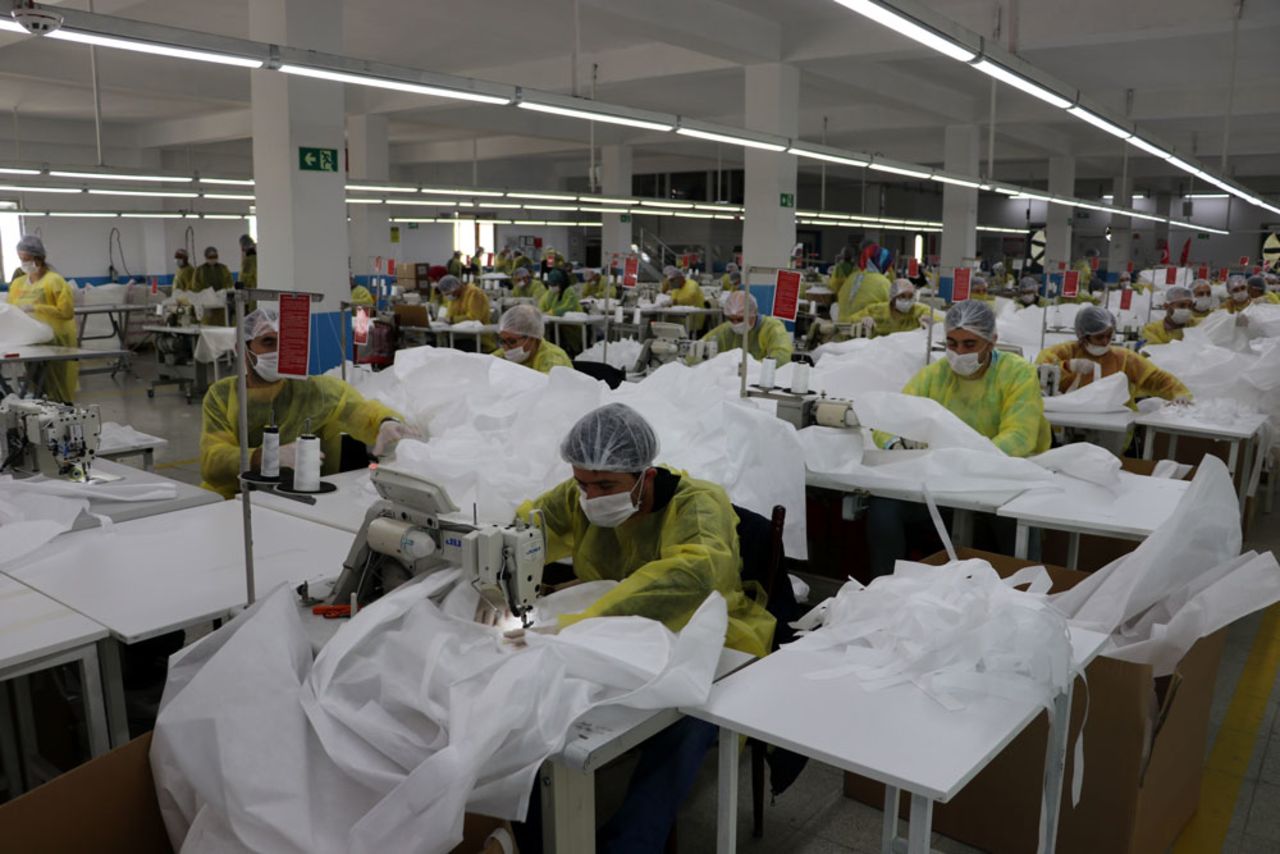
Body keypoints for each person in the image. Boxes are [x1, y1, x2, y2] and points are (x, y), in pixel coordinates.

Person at [514, 403, 775, 850]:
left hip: (709, 637)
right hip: (612, 632)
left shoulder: (698, 505)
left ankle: (630, 843)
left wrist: (581, 623)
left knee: (687, 722)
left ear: (645, 476)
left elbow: (690, 579)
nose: (591, 497)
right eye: (582, 483)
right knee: (528, 705)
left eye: (605, 485)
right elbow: (525, 531)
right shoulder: (578, 496)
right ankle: (534, 836)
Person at [866, 301, 1050, 577]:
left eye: (969, 344)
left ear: (991, 342)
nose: (958, 352)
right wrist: (895, 443)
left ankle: (1019, 595)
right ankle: (884, 588)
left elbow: (1020, 437)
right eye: (951, 343)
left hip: (1001, 478)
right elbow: (891, 416)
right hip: (945, 480)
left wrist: (967, 459)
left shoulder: (1017, 373)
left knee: (1015, 522)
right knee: (884, 507)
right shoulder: (936, 375)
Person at [199, 307, 414, 498]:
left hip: (300, 498)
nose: (278, 351)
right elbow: (213, 461)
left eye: (285, 342)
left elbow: (359, 411)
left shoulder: (314, 391)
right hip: (234, 497)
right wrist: (264, 457)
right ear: (242, 349)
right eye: (268, 342)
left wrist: (385, 422)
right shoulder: (222, 395)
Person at [1035, 305, 1192, 408]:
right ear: (1083, 336)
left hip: (1113, 425)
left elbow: (1156, 378)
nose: (1105, 342)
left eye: (1109, 336)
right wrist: (1067, 366)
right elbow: (1037, 374)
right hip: (1068, 419)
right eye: (1099, 337)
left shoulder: (1123, 358)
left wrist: (1179, 393)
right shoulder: (1064, 352)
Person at [8, 235, 78, 402]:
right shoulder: (18, 284)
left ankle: (64, 411)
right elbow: (11, 310)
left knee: (58, 386)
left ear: (38, 258)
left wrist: (37, 307)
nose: (24, 263)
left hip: (55, 341)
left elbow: (66, 312)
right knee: (37, 385)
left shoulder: (54, 281)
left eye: (27, 259)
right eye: (21, 259)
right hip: (30, 342)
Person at [701, 291, 793, 363]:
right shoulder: (726, 331)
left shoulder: (772, 328)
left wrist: (755, 367)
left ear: (753, 313)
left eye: (740, 319)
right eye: (731, 319)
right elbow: (702, 345)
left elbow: (782, 356)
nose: (735, 324)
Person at [846, 278, 939, 337]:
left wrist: (934, 323)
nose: (907, 301)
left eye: (910, 297)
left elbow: (941, 321)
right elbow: (849, 320)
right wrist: (862, 319)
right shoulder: (877, 310)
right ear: (893, 297)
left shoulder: (919, 311)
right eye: (902, 296)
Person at [491, 304, 572, 373]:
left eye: (512, 341)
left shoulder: (554, 361)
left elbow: (546, 388)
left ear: (532, 338)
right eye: (502, 341)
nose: (506, 348)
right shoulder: (501, 355)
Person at [835, 244, 892, 321]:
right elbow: (893, 308)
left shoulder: (852, 277)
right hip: (862, 328)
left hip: (841, 324)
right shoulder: (883, 282)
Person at [192, 246, 234, 325]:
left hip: (221, 304)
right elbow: (195, 287)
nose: (213, 259)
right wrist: (206, 295)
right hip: (207, 305)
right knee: (208, 326)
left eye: (215, 257)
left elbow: (229, 283)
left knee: (222, 325)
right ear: (206, 257)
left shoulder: (223, 268)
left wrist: (224, 294)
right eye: (210, 257)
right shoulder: (200, 270)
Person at [665, 269, 709, 333]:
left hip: (694, 318)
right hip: (681, 317)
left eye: (672, 280)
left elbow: (690, 299)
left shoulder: (692, 284)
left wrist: (674, 302)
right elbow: (672, 301)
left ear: (681, 278)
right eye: (670, 281)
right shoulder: (676, 289)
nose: (671, 283)